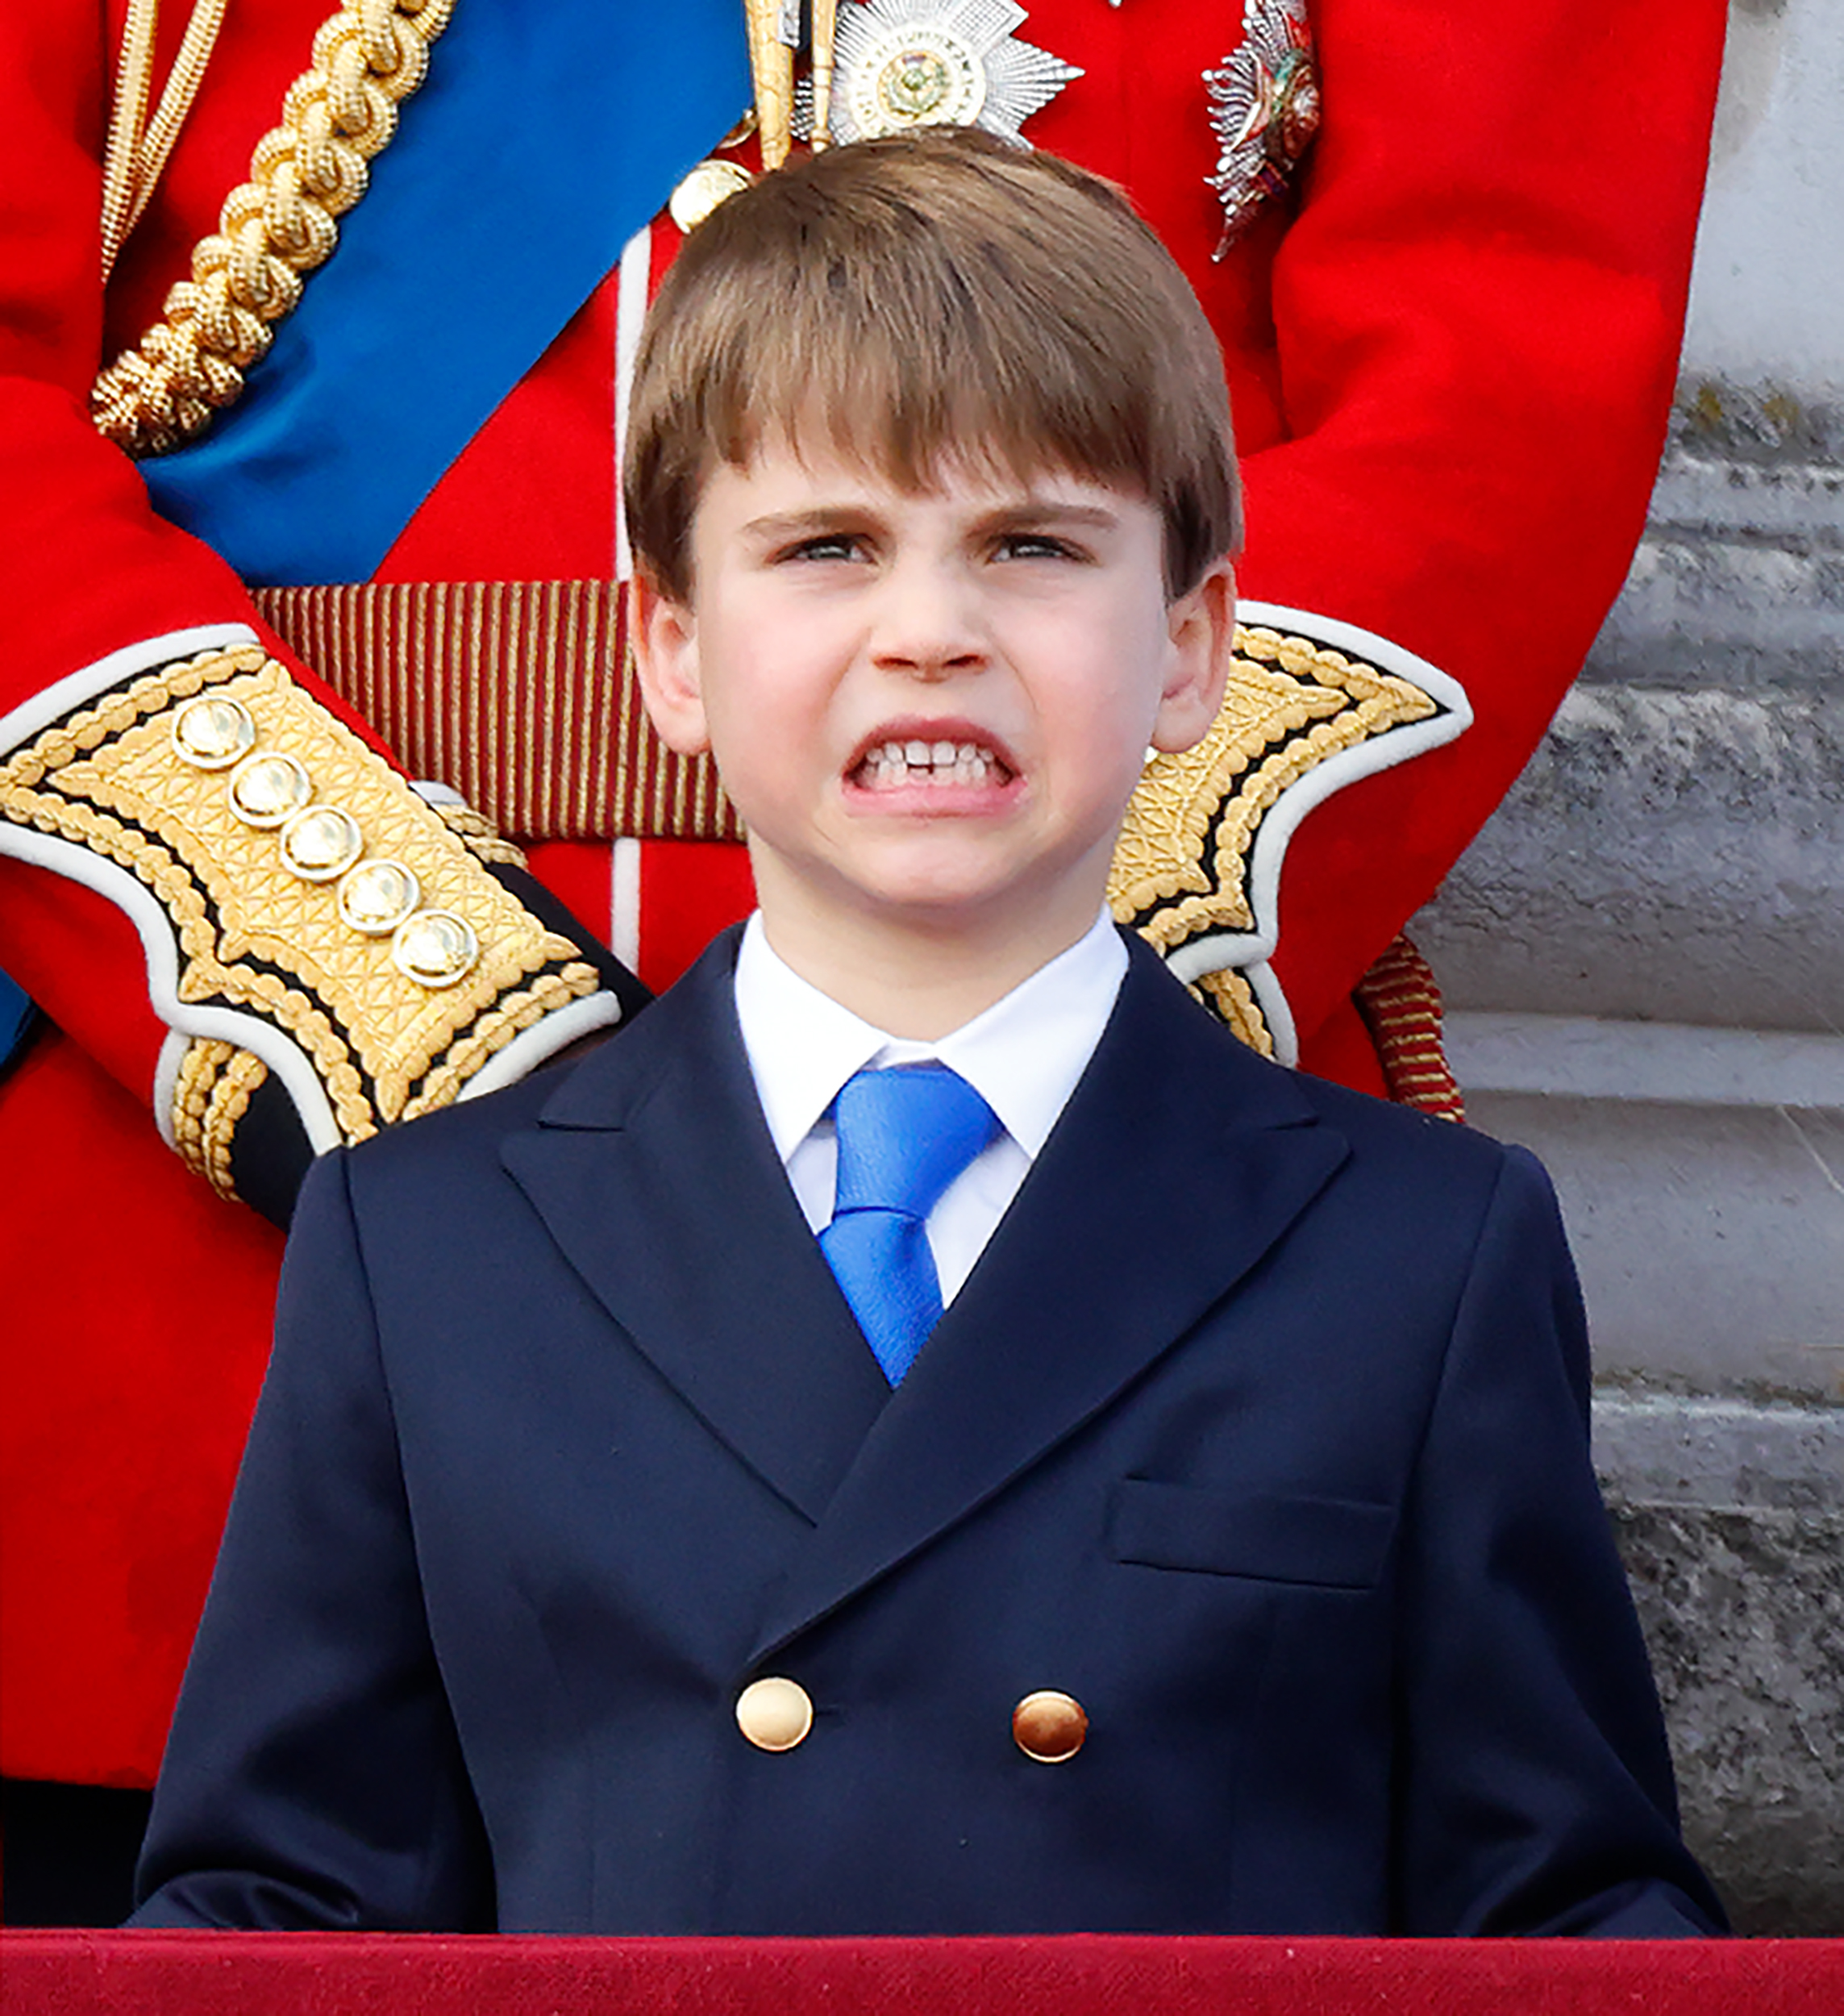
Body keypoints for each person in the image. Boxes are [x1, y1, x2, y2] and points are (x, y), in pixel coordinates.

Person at [0, 0, 1728, 1915]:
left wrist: (1062, 1118)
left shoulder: (1421, 1266)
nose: (920, 634)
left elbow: (1499, 371)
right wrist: (439, 1043)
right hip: (214, 1245)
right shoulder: (414, 1258)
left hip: (1168, 1307)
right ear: (679, 642)